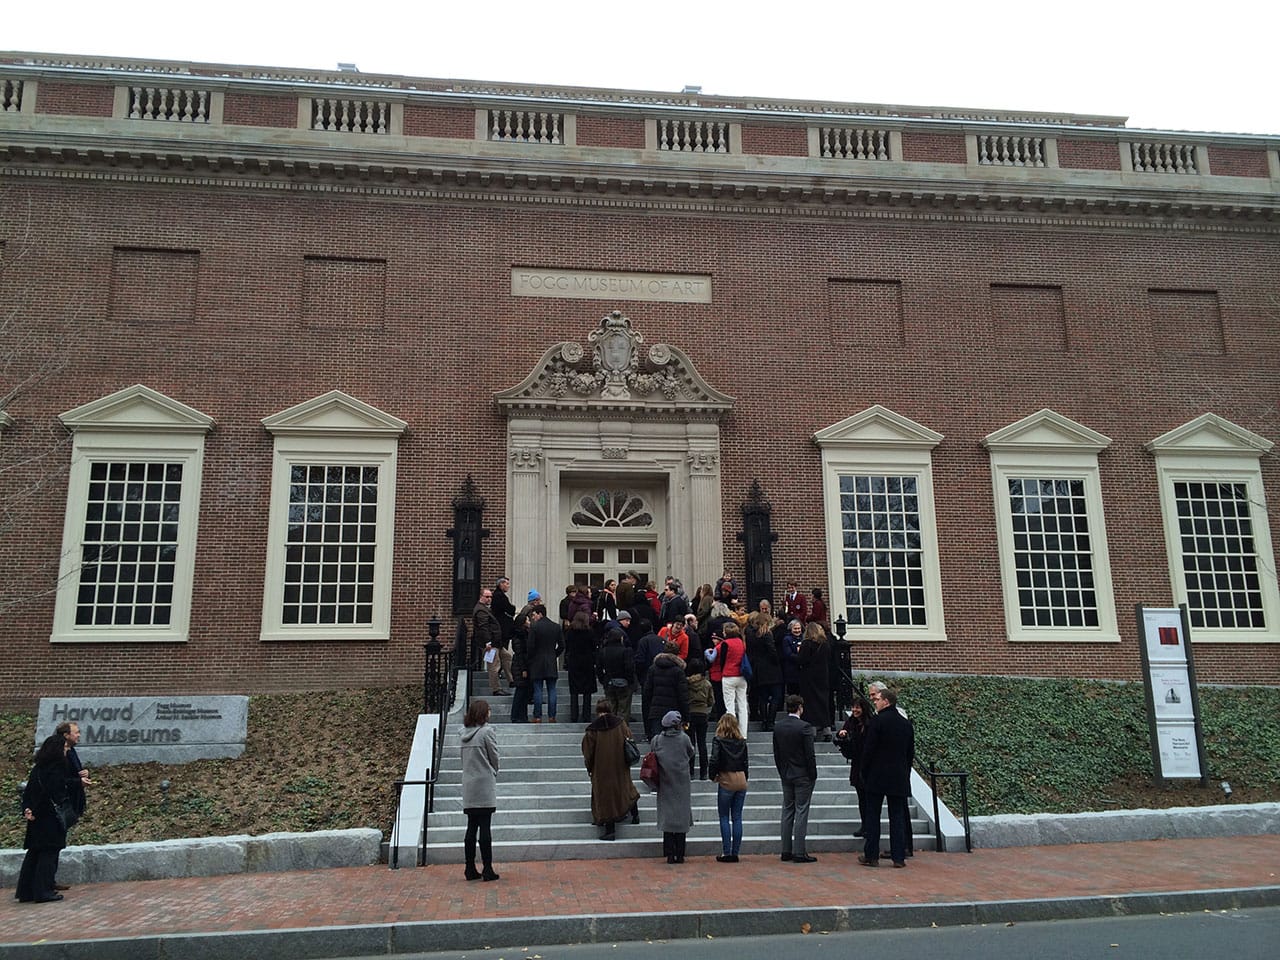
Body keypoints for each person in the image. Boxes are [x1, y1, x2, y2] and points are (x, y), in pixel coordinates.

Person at [860, 686, 915, 868]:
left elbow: (868, 749)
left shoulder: (877, 722)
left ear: (887, 701)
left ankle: (871, 855)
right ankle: (898, 857)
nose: (874, 702)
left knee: (873, 816)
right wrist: (905, 772)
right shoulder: (906, 724)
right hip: (898, 776)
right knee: (897, 817)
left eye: (877, 700)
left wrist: (864, 771)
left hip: (877, 775)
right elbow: (909, 753)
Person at [16, 734, 71, 903]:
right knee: (49, 853)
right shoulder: (56, 770)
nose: (67, 750)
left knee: (34, 853)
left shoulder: (38, 768)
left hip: (36, 818)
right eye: (64, 747)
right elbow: (52, 793)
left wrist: (27, 809)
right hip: (49, 818)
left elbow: (30, 792)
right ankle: (43, 891)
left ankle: (25, 891)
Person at [582, 699, 641, 840]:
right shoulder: (620, 724)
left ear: (598, 712)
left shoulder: (593, 729)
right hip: (620, 764)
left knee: (605, 796)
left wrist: (589, 767)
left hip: (601, 768)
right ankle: (635, 814)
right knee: (626, 787)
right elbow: (630, 739)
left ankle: (610, 831)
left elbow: (588, 752)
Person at [772, 694, 817, 863]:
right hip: (803, 774)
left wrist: (781, 771)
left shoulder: (779, 727)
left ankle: (786, 850)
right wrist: (813, 773)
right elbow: (809, 754)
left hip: (786, 773)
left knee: (787, 809)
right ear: (800, 707)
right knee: (801, 810)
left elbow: (776, 753)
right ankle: (799, 851)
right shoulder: (804, 727)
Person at [459, 699, 500, 881]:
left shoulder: (463, 734)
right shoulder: (486, 733)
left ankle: (469, 867)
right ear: (484, 713)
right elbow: (494, 757)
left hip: (469, 783)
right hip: (483, 783)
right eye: (488, 710)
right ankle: (487, 868)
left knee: (471, 827)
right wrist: (493, 770)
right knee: (485, 826)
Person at [651, 710, 695, 864]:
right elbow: (691, 753)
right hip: (682, 782)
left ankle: (669, 854)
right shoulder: (684, 739)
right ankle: (681, 854)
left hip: (665, 782)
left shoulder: (657, 740)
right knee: (681, 818)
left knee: (667, 818)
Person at [707, 712, 749, 863]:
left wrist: (713, 776)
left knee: (724, 816)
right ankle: (735, 852)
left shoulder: (718, 740)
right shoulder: (741, 742)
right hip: (741, 779)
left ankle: (726, 851)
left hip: (726, 778)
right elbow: (746, 762)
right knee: (737, 817)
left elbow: (714, 759)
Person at [835, 694, 876, 838]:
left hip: (869, 765)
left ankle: (870, 826)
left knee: (869, 798)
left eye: (857, 707)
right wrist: (841, 735)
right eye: (853, 707)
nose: (854, 710)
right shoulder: (851, 722)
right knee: (861, 797)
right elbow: (840, 736)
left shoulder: (870, 723)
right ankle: (864, 825)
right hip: (857, 763)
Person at [745, 609, 783, 731]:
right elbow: (772, 652)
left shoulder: (752, 636)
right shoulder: (767, 635)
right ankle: (770, 721)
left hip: (758, 670)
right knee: (776, 696)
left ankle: (764, 720)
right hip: (771, 670)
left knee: (763, 697)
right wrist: (777, 661)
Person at [527, 604, 565, 722]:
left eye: (534, 615)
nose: (533, 618)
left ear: (540, 614)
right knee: (552, 689)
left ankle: (537, 716)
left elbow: (530, 646)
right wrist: (554, 654)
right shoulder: (556, 627)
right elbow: (562, 645)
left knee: (538, 689)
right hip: (551, 660)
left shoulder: (534, 627)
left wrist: (531, 658)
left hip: (537, 661)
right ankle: (552, 716)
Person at [644, 641, 690, 737]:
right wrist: (686, 716)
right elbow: (683, 695)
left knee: (657, 743)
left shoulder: (653, 668)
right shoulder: (678, 671)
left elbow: (647, 692)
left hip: (656, 711)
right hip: (674, 712)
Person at [710, 622, 749, 735]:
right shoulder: (741, 642)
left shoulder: (725, 644)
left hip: (728, 675)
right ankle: (743, 733)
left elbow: (722, 661)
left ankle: (732, 732)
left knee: (730, 706)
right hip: (741, 676)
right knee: (742, 705)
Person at [797, 622, 833, 740]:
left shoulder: (806, 644)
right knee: (823, 701)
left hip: (809, 677)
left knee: (810, 702)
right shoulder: (825, 644)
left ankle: (812, 729)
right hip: (823, 676)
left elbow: (801, 660)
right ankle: (826, 728)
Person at [474, 586, 512, 697]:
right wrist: (488, 642)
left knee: (507, 657)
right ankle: (496, 689)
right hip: (491, 644)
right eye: (487, 597)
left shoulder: (485, 608)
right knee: (494, 666)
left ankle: (512, 680)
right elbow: (483, 627)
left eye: (490, 597)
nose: (489, 599)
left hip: (497, 643)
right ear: (481, 597)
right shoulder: (480, 610)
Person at [563, 610, 598, 723]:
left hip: (574, 663)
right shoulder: (590, 632)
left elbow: (567, 647)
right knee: (587, 692)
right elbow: (594, 647)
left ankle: (574, 716)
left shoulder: (570, 632)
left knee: (574, 691)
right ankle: (586, 716)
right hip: (587, 663)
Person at [596, 627, 637, 722]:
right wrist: (630, 681)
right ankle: (622, 731)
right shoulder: (626, 651)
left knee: (610, 709)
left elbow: (598, 668)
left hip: (609, 681)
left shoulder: (603, 651)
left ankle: (611, 731)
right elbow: (629, 668)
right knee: (623, 710)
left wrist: (603, 680)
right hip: (623, 682)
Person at [685, 656, 714, 780]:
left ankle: (690, 771)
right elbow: (711, 701)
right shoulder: (707, 683)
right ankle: (704, 772)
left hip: (690, 713)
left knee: (691, 743)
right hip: (702, 714)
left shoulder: (686, 683)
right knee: (702, 743)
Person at [491, 577, 518, 650]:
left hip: (502, 629)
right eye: (507, 584)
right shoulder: (500, 596)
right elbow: (510, 609)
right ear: (501, 584)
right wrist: (513, 608)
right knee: (502, 650)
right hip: (502, 629)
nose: (508, 586)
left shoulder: (498, 595)